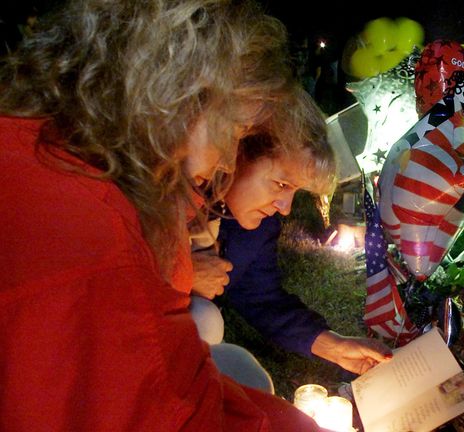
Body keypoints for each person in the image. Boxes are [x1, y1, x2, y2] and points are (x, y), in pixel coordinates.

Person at [0, 0, 320, 430]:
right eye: (237, 132)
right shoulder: (98, 250)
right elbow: (174, 411)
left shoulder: (44, 144)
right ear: (181, 94)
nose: (228, 159)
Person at [189, 85, 393, 379]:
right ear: (238, 153)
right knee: (205, 320)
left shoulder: (258, 228)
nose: (285, 208)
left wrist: (334, 346)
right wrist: (185, 273)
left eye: (294, 192)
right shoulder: (177, 196)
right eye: (281, 184)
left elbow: (262, 297)